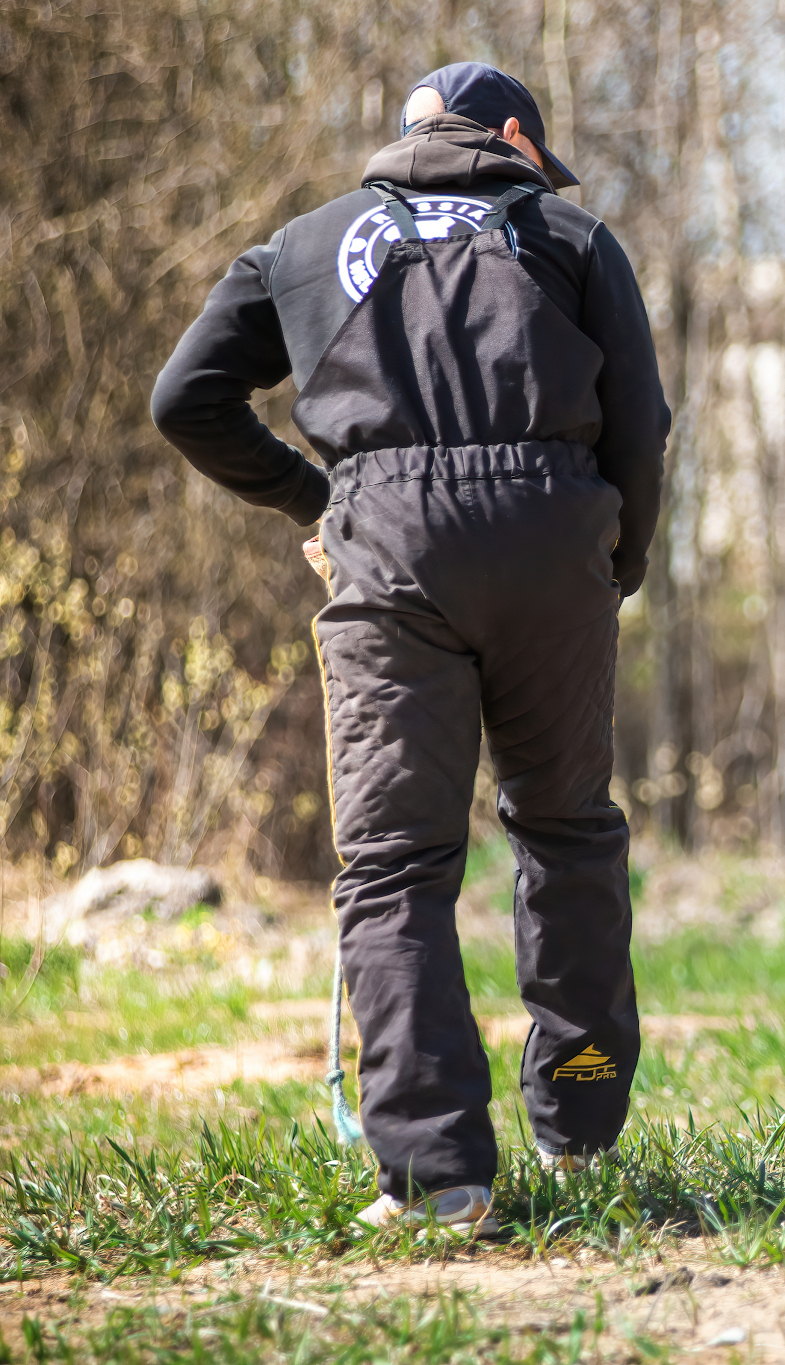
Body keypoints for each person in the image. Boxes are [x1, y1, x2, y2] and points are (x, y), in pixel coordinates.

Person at [151, 63, 668, 1234]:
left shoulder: (302, 245)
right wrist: (613, 569)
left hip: (385, 545)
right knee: (569, 833)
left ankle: (442, 1178)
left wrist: (312, 503)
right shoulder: (570, 238)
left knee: (392, 863)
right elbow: (641, 428)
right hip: (553, 538)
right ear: (518, 147)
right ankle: (580, 1126)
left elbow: (184, 398)